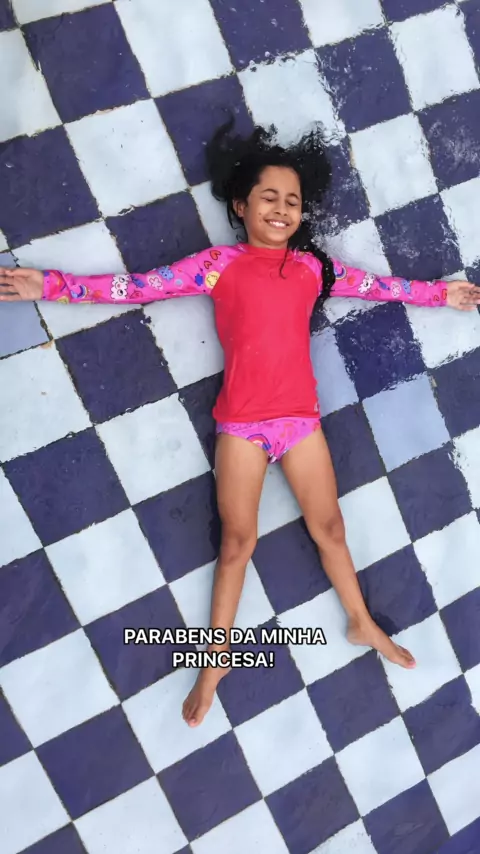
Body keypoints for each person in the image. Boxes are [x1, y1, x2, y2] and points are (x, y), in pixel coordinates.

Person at [1, 121, 479, 728]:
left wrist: (442, 295)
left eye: (292, 201)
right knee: (236, 544)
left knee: (331, 528)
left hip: (300, 423)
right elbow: (135, 288)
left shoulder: (314, 269)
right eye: (268, 197)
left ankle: (361, 621)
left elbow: (381, 287)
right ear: (240, 205)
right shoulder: (217, 265)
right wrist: (49, 285)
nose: (281, 209)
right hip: (242, 427)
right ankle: (216, 659)